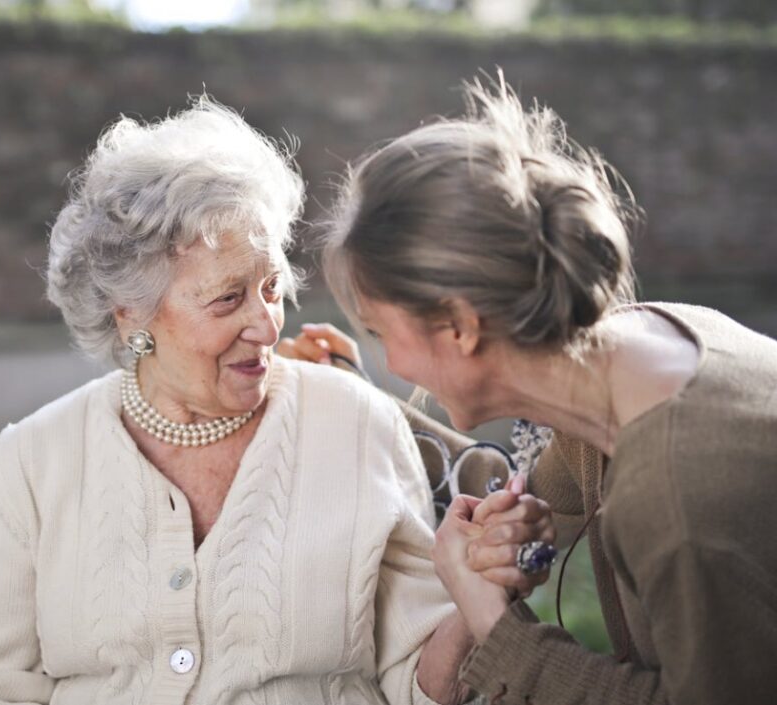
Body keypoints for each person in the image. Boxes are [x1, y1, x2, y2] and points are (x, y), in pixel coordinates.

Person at [0, 98, 551, 705]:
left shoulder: (356, 422)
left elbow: (416, 683)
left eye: (272, 286)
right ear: (131, 317)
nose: (266, 324)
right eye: (227, 299)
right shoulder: (34, 458)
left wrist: (477, 592)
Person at [302, 74, 777, 704]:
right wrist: (350, 396)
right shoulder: (639, 349)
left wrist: (495, 624)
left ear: (460, 327)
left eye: (380, 331)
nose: (392, 360)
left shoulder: (676, 495)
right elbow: (522, 494)